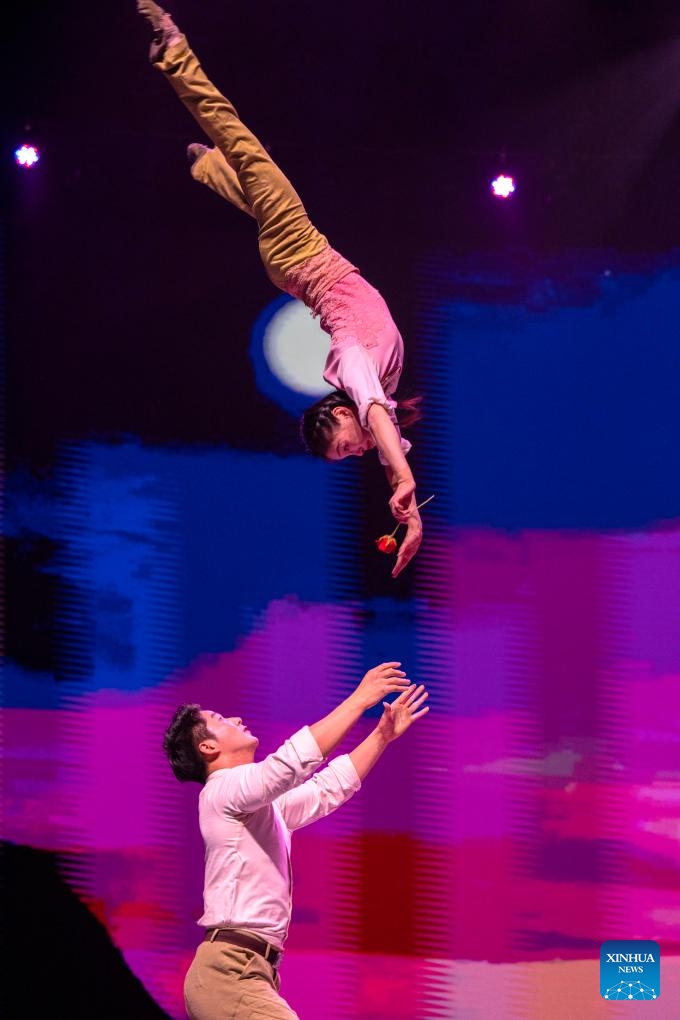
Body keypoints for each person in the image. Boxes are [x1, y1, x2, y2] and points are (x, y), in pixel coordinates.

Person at [137, 1, 424, 578]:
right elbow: (385, 428)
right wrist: (409, 509)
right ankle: (206, 168)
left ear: (339, 412)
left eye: (344, 445)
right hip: (295, 262)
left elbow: (377, 423)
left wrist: (402, 478)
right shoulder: (374, 397)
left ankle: (173, 54)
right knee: (249, 174)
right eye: (348, 454)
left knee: (243, 142)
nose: (355, 450)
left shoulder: (353, 370)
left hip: (299, 253)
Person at [162, 662, 429, 1019]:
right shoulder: (221, 792)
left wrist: (381, 735)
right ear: (208, 747)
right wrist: (359, 700)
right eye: (221, 720)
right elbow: (286, 767)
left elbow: (326, 790)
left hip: (250, 972)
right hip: (229, 974)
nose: (236, 718)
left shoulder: (257, 809)